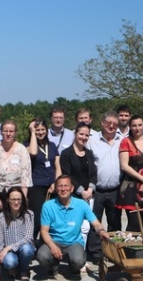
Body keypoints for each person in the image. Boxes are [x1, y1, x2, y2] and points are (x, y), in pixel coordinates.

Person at [38, 175, 110, 279]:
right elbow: (44, 231)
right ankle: (53, 266)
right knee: (42, 256)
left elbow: (96, 223)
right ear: (56, 188)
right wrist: (53, 247)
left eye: (66, 186)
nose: (63, 189)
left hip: (74, 242)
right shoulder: (48, 205)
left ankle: (73, 268)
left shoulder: (81, 204)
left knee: (79, 260)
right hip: (54, 241)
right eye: (60, 186)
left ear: (72, 188)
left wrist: (102, 231)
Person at [87, 111, 123, 261]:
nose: (111, 126)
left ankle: (113, 251)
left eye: (115, 124)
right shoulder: (92, 140)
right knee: (95, 222)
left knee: (114, 222)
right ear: (102, 122)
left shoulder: (123, 140)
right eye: (108, 122)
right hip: (97, 190)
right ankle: (95, 253)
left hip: (116, 189)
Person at [60, 123, 97, 257]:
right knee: (75, 227)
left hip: (89, 196)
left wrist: (90, 189)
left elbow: (94, 173)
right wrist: (82, 191)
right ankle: (71, 255)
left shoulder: (89, 153)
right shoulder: (66, 154)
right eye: (81, 134)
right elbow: (67, 175)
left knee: (86, 227)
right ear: (75, 133)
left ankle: (82, 256)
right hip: (74, 195)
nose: (84, 137)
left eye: (87, 135)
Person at [0, 119, 32, 221]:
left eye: (11, 131)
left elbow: (26, 176)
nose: (8, 134)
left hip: (16, 194)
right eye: (5, 131)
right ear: (1, 132)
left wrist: (22, 199)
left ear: (15, 133)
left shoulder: (22, 149)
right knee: (0, 223)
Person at [117, 115, 143, 227]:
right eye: (134, 125)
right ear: (130, 127)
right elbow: (124, 166)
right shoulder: (125, 142)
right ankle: (129, 245)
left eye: (140, 125)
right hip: (131, 188)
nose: (137, 128)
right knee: (134, 224)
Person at [0, 187, 36, 281]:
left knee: (27, 249)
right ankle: (12, 268)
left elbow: (28, 238)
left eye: (19, 199)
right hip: (10, 252)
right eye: (13, 199)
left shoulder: (29, 215)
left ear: (23, 200)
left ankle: (23, 269)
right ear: (8, 200)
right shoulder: (1, 218)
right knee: (10, 262)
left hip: (23, 248)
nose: (16, 202)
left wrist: (9, 247)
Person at [27, 118, 62, 239]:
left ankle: (45, 243)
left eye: (42, 130)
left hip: (52, 186)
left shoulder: (51, 146)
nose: (40, 132)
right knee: (38, 218)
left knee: (51, 218)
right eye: (37, 130)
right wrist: (32, 132)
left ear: (47, 131)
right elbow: (33, 153)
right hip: (36, 186)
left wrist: (56, 183)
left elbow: (57, 166)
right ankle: (31, 242)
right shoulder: (27, 144)